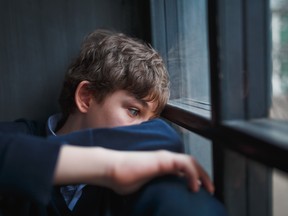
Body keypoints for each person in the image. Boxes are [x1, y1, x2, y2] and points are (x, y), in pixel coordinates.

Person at [0, 29, 226, 216]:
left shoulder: (140, 168)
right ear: (86, 97)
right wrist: (107, 166)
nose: (142, 130)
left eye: (150, 119)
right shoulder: (20, 138)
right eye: (133, 111)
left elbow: (160, 136)